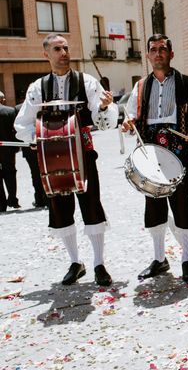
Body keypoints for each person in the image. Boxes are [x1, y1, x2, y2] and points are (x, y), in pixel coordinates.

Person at [14, 33, 117, 287]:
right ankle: (75, 262)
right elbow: (22, 124)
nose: (64, 52)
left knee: (91, 206)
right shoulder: (37, 88)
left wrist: (104, 107)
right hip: (51, 158)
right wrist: (40, 138)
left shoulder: (87, 81)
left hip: (83, 153)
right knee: (61, 210)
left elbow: (104, 119)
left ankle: (98, 263)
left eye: (66, 48)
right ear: (46, 54)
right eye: (57, 49)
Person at [122, 34, 188, 283]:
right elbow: (130, 114)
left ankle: (186, 258)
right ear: (148, 55)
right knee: (153, 204)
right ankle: (159, 258)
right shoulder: (140, 86)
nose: (158, 53)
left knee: (182, 202)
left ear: (171, 54)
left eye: (163, 49)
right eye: (153, 49)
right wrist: (128, 122)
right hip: (149, 149)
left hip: (177, 147)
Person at [15, 102, 48, 209]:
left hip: (30, 148)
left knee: (35, 174)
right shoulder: (44, 105)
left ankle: (39, 199)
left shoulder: (18, 108)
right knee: (46, 171)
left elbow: (16, 128)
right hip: (42, 145)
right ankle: (47, 197)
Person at [0, 91, 19, 211]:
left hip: (7, 147)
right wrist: (16, 147)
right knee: (11, 173)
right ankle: (12, 199)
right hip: (8, 149)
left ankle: (1, 204)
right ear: (2, 99)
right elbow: (15, 130)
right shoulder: (10, 111)